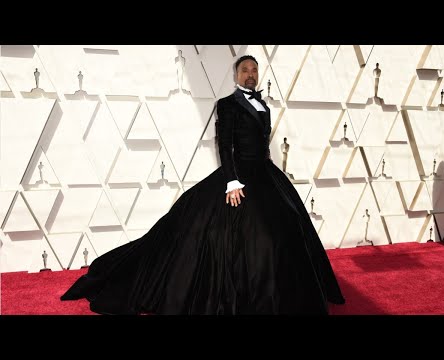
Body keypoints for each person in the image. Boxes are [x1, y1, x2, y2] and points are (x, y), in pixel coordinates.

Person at [60, 55, 345, 315]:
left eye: (254, 70)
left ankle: (288, 299)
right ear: (236, 74)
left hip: (267, 174)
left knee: (286, 228)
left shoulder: (264, 106)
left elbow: (262, 144)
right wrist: (232, 180)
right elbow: (225, 145)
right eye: (245, 70)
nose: (250, 74)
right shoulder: (227, 104)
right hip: (239, 175)